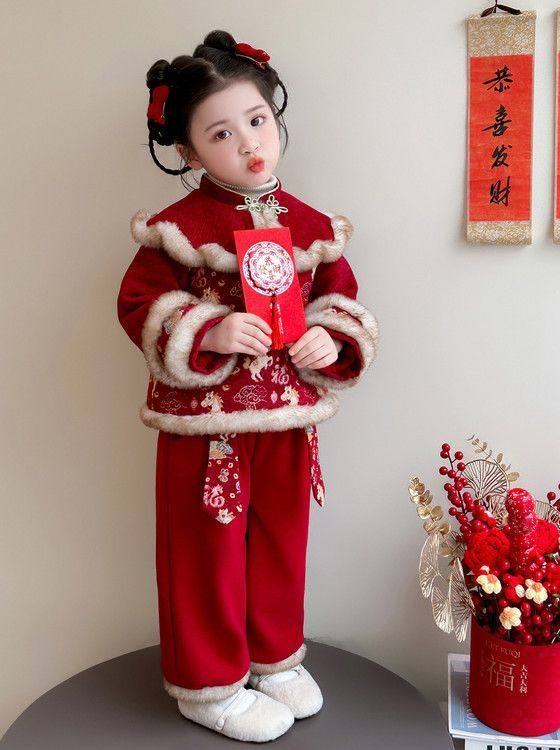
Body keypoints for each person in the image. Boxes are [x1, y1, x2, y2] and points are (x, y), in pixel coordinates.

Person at [116, 29, 379, 742]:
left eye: (257, 121)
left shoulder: (313, 227)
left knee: (281, 544)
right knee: (205, 553)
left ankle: (274, 658)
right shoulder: (176, 230)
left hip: (288, 420)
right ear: (188, 151)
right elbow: (139, 304)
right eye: (222, 133)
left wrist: (331, 338)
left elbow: (340, 299)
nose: (249, 144)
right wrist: (209, 329)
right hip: (209, 431)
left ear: (276, 117)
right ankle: (208, 685)